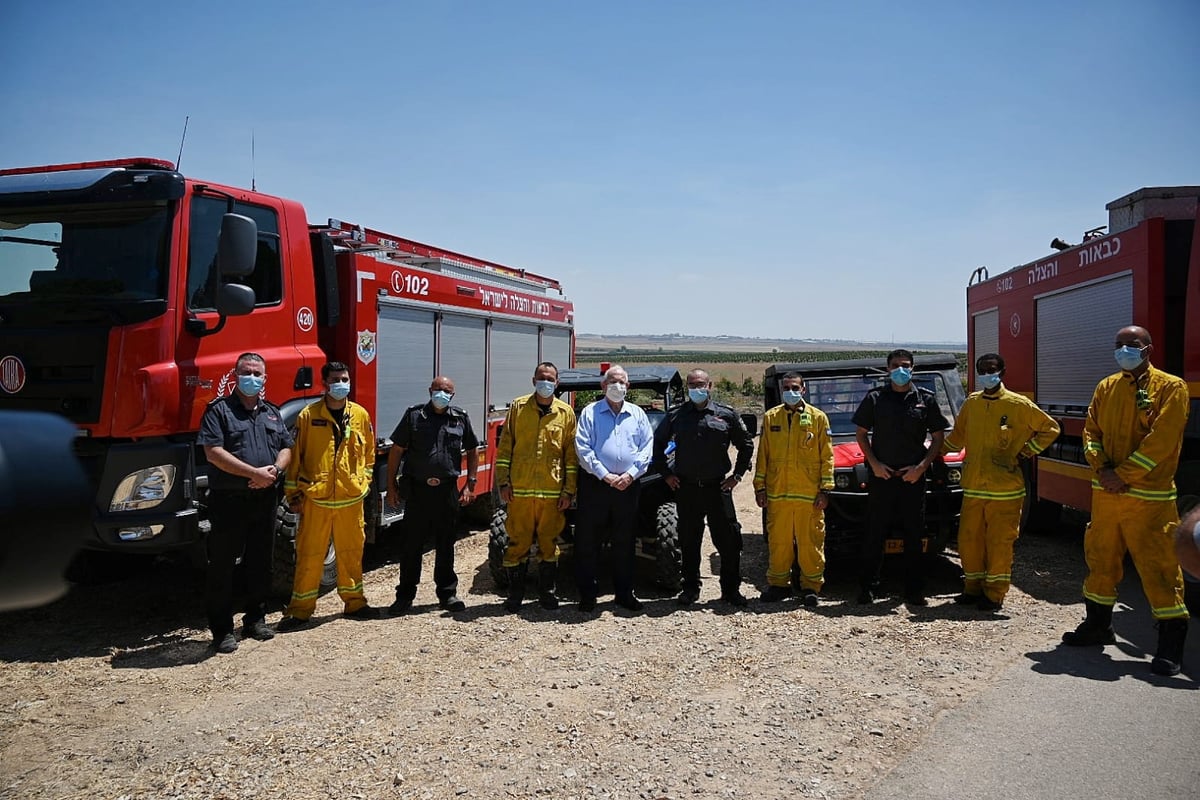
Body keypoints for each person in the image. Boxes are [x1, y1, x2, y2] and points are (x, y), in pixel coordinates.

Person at [1062, 325, 1190, 676]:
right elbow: (1091, 431)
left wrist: (1124, 474)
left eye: (1131, 345)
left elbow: (1161, 441)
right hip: (1107, 495)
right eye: (1118, 345)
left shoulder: (1171, 388)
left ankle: (1169, 646)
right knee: (1100, 560)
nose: (1123, 350)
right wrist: (1102, 467)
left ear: (1148, 349)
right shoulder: (1107, 386)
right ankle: (1097, 625)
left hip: (1148, 499)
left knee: (1159, 567)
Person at [941, 353, 1060, 612]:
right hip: (974, 488)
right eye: (982, 370)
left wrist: (1026, 451)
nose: (987, 374)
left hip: (1005, 491)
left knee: (998, 544)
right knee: (969, 540)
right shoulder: (972, 404)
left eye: (992, 370)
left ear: (1002, 372)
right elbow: (956, 439)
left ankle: (994, 595)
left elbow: (1050, 429)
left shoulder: (1018, 404)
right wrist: (928, 453)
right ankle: (972, 588)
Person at [198, 353, 293, 654]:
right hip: (230, 500)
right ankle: (222, 630)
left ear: (265, 378)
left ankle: (256, 619)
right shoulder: (219, 411)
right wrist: (253, 473)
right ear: (235, 374)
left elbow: (287, 448)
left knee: (260, 562)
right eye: (246, 371)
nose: (252, 377)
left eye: (257, 373)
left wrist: (275, 471)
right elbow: (213, 452)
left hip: (265, 498)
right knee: (223, 566)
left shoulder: (272, 412)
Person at [277, 362, 380, 630]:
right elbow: (295, 457)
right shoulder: (308, 416)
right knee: (310, 555)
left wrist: (364, 481)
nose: (341, 384)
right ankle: (300, 611)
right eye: (336, 379)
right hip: (316, 499)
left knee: (351, 553)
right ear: (324, 383)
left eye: (345, 379)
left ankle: (355, 603)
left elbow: (369, 454)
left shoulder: (360, 415)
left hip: (350, 500)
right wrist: (293, 494)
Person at [852, 349, 949, 606]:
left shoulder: (925, 400)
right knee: (874, 533)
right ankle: (868, 588)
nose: (900, 370)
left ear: (913, 368)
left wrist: (921, 467)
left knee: (914, 536)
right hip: (881, 476)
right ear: (887, 369)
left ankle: (914, 591)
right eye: (895, 366)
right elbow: (861, 434)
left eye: (905, 365)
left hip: (912, 478)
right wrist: (874, 464)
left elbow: (938, 438)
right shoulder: (875, 398)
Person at [654, 369, 754, 606]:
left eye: (700, 384)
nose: (696, 388)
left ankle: (731, 590)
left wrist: (737, 476)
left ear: (710, 386)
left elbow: (747, 445)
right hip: (686, 488)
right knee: (689, 542)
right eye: (691, 384)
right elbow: (656, 446)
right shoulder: (676, 415)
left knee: (728, 541)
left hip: (718, 488)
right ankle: (690, 589)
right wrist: (666, 475)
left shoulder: (726, 414)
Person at [385, 376, 479, 614]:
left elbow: (472, 449)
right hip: (417, 490)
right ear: (430, 390)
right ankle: (404, 597)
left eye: (447, 391)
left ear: (452, 395)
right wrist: (391, 487)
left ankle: (447, 594)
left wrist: (470, 483)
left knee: (446, 544)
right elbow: (396, 450)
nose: (441, 394)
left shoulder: (460, 418)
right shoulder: (414, 416)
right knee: (411, 545)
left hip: (447, 490)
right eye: (438, 389)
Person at [495, 362, 578, 611]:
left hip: (552, 494)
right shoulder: (518, 408)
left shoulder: (566, 413)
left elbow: (570, 457)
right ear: (533, 380)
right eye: (541, 378)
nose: (546, 382)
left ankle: (547, 593)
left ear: (557, 383)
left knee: (548, 544)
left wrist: (569, 491)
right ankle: (515, 595)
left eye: (550, 379)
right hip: (519, 491)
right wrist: (503, 482)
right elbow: (505, 448)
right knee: (517, 543)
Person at [574, 365, 655, 612]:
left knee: (625, 541)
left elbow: (646, 448)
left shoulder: (638, 414)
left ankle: (624, 593)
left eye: (622, 382)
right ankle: (588, 595)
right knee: (588, 542)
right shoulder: (590, 413)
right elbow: (583, 449)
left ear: (628, 387)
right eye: (613, 381)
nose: (617, 386)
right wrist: (606, 475)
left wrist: (630, 475)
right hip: (596, 485)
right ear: (603, 386)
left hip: (628, 488)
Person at [753, 372, 834, 605]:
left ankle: (811, 587)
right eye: (787, 387)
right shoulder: (771, 417)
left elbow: (827, 457)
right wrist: (760, 488)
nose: (791, 391)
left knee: (810, 543)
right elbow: (763, 456)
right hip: (778, 496)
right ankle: (779, 586)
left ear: (804, 389)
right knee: (779, 543)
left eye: (795, 387)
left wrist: (825, 489)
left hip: (809, 497)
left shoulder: (818, 418)